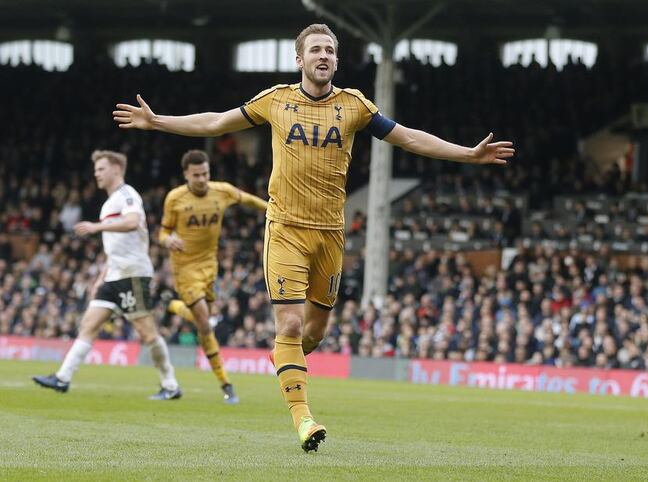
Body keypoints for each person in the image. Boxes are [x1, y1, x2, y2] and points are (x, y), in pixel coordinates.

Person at [113, 23, 513, 452]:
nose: (323, 56)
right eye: (315, 50)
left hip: (331, 236)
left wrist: (467, 153)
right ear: (299, 59)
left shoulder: (355, 106)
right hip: (285, 229)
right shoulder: (276, 100)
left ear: (336, 60)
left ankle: (284, 356)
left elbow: (409, 137)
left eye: (330, 51)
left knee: (314, 333)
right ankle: (303, 419)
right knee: (289, 322)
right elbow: (216, 122)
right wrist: (157, 123)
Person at [33, 150, 181, 400]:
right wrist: (101, 276)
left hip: (132, 274)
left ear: (116, 169)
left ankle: (170, 385)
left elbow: (133, 222)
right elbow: (114, 247)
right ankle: (62, 378)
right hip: (113, 275)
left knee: (147, 333)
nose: (96, 174)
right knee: (88, 325)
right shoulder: (109, 202)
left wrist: (96, 226)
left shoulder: (127, 195)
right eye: (96, 170)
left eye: (101, 169)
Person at [159, 149, 269, 405]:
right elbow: (162, 232)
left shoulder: (221, 191)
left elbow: (247, 200)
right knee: (205, 323)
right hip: (184, 268)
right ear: (186, 174)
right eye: (196, 175)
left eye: (205, 173)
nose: (202, 179)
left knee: (203, 322)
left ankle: (173, 306)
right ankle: (226, 383)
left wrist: (272, 210)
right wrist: (169, 240)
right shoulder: (174, 199)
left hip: (210, 266)